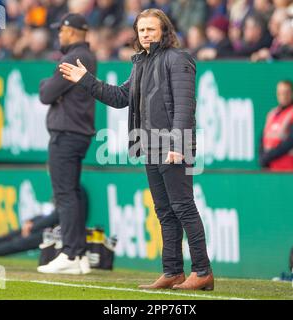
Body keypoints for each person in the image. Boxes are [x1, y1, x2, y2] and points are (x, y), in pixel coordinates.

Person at [59, 8, 214, 291]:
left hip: (174, 146)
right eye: (141, 30)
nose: (145, 34)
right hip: (150, 145)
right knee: (165, 211)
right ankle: (173, 272)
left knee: (183, 208)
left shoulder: (178, 59)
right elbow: (120, 97)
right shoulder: (141, 63)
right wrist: (86, 80)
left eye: (151, 29)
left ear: (164, 31)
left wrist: (177, 145)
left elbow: (184, 106)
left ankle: (202, 271)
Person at [38, 13, 96, 275]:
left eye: (60, 30)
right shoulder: (85, 55)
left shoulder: (72, 57)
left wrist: (47, 85)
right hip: (78, 133)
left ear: (71, 31)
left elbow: (46, 93)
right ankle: (80, 254)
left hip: (66, 133)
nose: (59, 34)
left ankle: (71, 252)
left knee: (65, 195)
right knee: (70, 193)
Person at [259, 80, 293, 171]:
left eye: (286, 93)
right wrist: (263, 158)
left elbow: (292, 140)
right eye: (280, 93)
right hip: (271, 167)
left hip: (290, 168)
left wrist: (269, 156)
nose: (283, 96)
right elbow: (263, 137)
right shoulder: (272, 113)